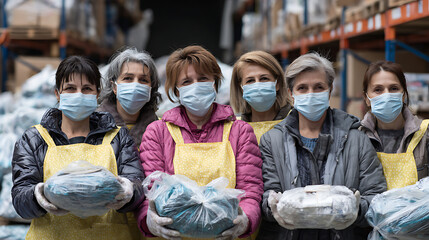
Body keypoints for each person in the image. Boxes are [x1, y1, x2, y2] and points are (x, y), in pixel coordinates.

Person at [136, 45, 263, 239]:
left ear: (215, 83)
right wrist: (148, 219)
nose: (196, 85)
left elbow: (251, 189)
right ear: (176, 91)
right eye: (186, 81)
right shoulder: (158, 132)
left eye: (203, 79)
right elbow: (150, 191)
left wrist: (245, 220)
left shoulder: (240, 131)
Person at [11, 56, 145, 240]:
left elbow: (137, 188)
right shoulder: (34, 139)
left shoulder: (118, 137)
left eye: (87, 89)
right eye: (70, 89)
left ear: (97, 94)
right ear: (58, 94)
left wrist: (129, 191)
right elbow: (20, 200)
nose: (79, 94)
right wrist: (38, 195)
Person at [257, 52, 386, 240]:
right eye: (302, 88)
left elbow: (376, 196)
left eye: (319, 87)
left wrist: (354, 210)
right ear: (291, 94)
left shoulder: (357, 138)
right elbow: (266, 193)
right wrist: (272, 206)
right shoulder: (272, 140)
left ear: (330, 89)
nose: (311, 94)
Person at [361, 60, 429, 190]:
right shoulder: (358, 138)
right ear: (366, 98)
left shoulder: (425, 134)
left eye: (394, 88)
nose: (386, 95)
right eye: (378, 90)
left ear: (403, 95)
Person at [98, 47, 161, 147]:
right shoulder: (95, 126)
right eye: (128, 78)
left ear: (151, 89)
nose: (135, 85)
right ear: (114, 87)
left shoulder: (161, 129)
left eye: (143, 80)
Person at [230, 50, 292, 143]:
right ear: (241, 87)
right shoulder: (233, 127)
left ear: (277, 84)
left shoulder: (295, 120)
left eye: (264, 78)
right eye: (250, 80)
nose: (257, 85)